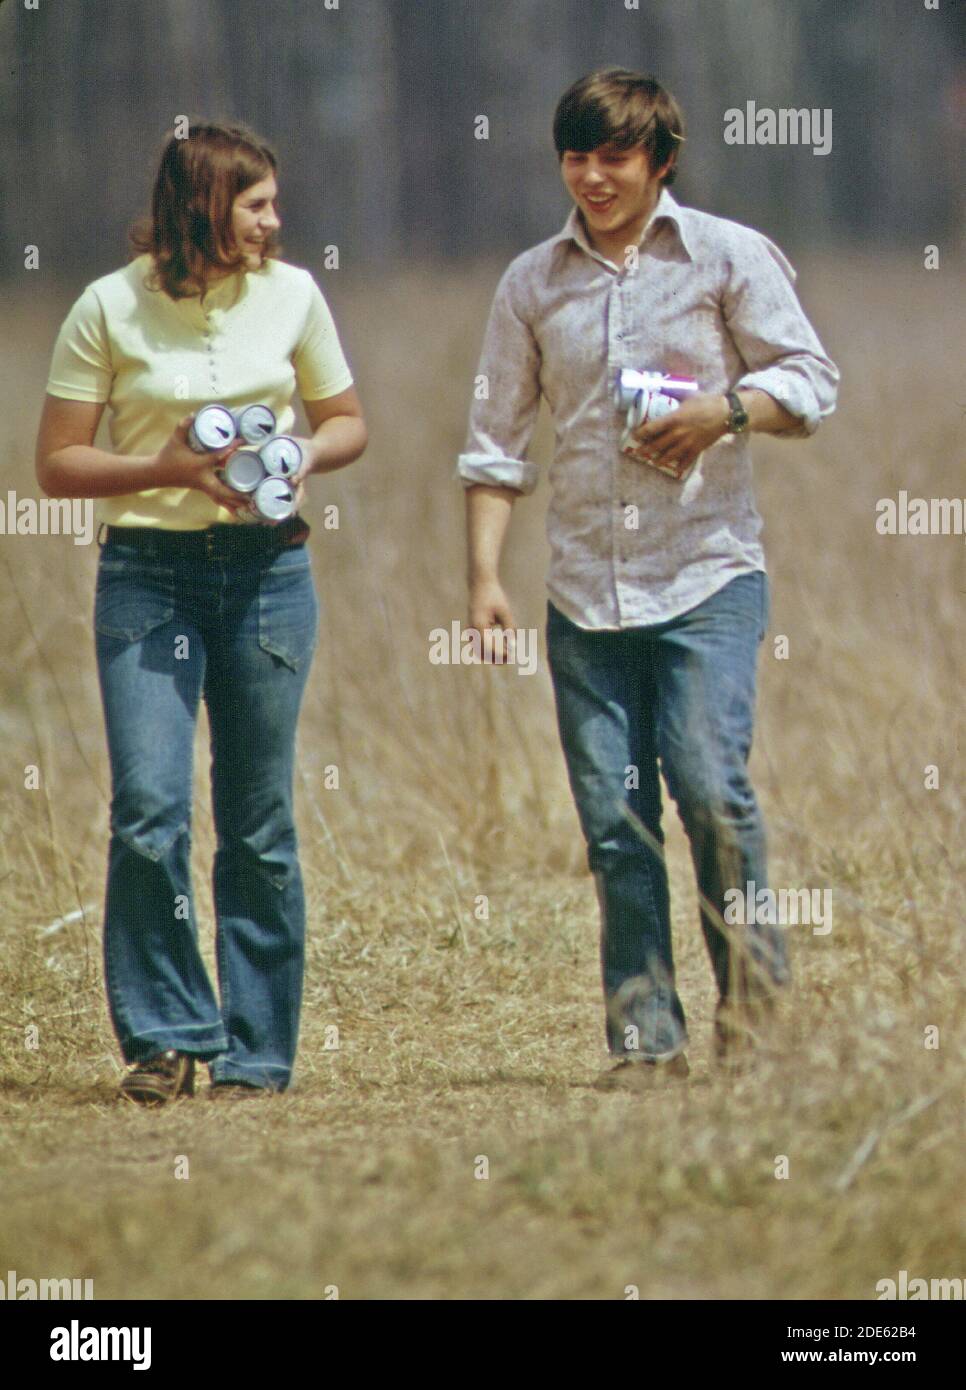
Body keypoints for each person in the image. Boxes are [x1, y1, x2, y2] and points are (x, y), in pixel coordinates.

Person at [459, 69, 838, 1090]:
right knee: (618, 828)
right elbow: (495, 446)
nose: (593, 176)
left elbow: (813, 381)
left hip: (708, 575)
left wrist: (726, 408)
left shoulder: (725, 254)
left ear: (659, 160)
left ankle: (757, 1022)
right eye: (576, 156)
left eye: (614, 156)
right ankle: (644, 1042)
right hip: (585, 593)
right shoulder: (532, 283)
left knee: (711, 790)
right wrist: (486, 577)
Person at [35, 122, 366, 1104]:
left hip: (267, 571)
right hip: (148, 573)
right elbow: (57, 464)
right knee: (150, 808)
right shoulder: (108, 307)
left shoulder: (295, 293)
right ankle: (167, 1032)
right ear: (204, 205)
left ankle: (258, 1052)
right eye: (257, 202)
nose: (275, 220)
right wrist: (166, 468)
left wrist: (303, 452)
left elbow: (349, 419)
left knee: (258, 817)